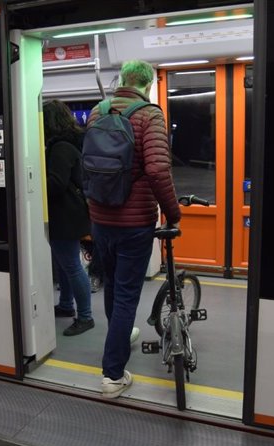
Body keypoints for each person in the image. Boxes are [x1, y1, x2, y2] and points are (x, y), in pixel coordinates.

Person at [87, 60, 181, 399]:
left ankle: (120, 333)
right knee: (127, 294)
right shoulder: (149, 115)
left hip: (100, 220)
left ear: (124, 80)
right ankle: (113, 376)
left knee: (113, 285)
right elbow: (157, 171)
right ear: (148, 84)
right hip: (134, 223)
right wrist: (173, 214)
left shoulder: (98, 112)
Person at [43, 100, 94, 336]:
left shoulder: (60, 148)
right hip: (72, 213)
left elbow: (56, 184)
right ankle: (65, 305)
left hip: (65, 215)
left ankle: (85, 317)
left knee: (72, 266)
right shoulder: (71, 143)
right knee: (65, 264)